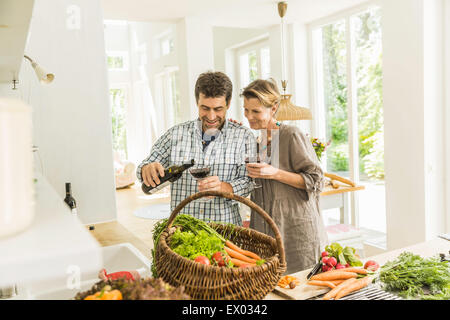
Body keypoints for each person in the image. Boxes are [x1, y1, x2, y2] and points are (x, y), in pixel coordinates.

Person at [137, 71, 255, 225]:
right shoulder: (175, 134)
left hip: (225, 232)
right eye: (205, 108)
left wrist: (224, 187)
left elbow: (250, 182)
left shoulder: (244, 137)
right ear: (197, 103)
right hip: (181, 232)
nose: (211, 117)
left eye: (218, 109)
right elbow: (145, 167)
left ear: (229, 103)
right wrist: (147, 168)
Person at [241, 78, 329, 274]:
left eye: (256, 111)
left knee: (302, 288)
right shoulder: (257, 140)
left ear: (273, 109)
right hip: (266, 232)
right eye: (246, 110)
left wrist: (275, 173)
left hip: (296, 231)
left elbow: (316, 180)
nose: (249, 116)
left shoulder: (291, 135)